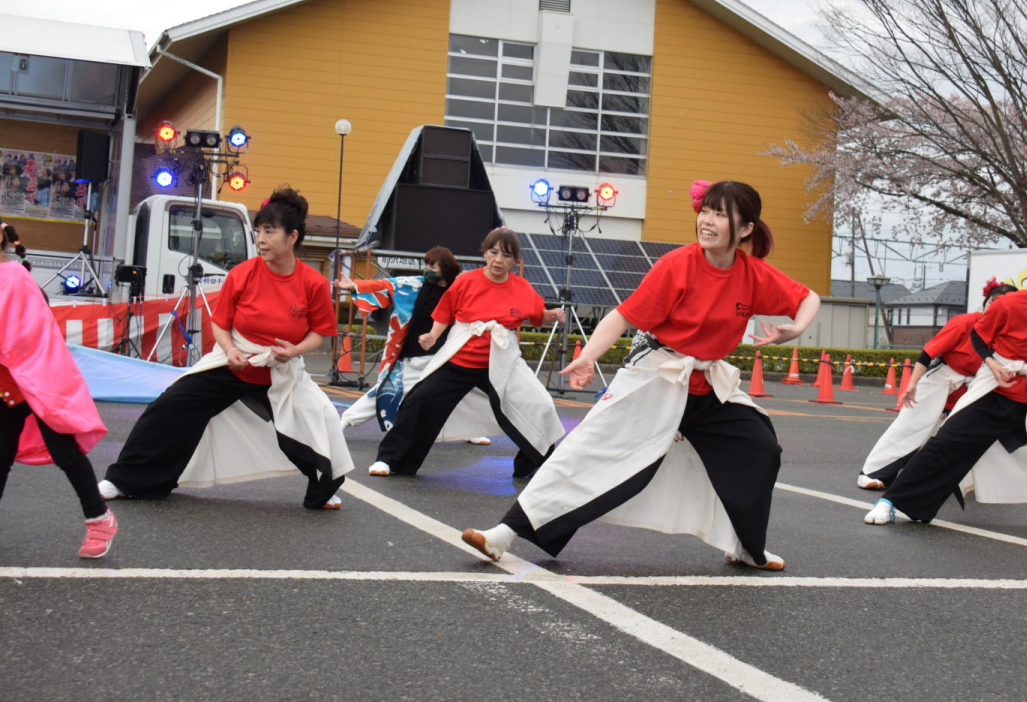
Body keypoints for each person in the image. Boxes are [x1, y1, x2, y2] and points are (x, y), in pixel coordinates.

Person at [461, 180, 821, 571]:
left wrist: (797, 327)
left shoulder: (753, 274)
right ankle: (504, 534)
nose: (707, 220)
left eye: (721, 214)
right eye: (706, 211)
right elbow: (621, 316)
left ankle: (748, 548)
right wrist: (589, 358)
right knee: (586, 449)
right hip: (657, 376)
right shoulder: (677, 265)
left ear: (746, 229)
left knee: (760, 448)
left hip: (707, 385)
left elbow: (808, 298)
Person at [99, 187, 353, 509]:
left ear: (292, 237)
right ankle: (126, 480)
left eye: (269, 232)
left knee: (320, 418)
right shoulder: (242, 273)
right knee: (170, 406)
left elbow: (321, 332)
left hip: (280, 370)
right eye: (258, 231)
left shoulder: (313, 283)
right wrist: (231, 350)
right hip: (232, 363)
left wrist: (295, 350)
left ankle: (323, 489)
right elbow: (220, 322)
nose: (260, 239)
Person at [865, 254, 1027, 529]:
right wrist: (992, 365)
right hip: (996, 389)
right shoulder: (1009, 303)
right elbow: (979, 335)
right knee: (948, 444)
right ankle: (891, 503)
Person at [370, 228, 566, 479]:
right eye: (493, 252)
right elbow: (445, 312)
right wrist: (432, 335)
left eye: (506, 256)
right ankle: (390, 460)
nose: (498, 260)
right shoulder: (465, 281)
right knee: (420, 400)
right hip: (460, 360)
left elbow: (540, 315)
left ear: (514, 261)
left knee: (540, 404)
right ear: (484, 252)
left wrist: (554, 314)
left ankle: (529, 464)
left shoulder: (522, 287)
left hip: (501, 363)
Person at [0, 204, 117, 558]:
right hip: (7, 385)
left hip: (39, 382)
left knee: (65, 453)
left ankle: (99, 518)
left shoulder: (11, 276)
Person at [335, 246, 502, 459]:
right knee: (387, 389)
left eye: (432, 265)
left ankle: (472, 431)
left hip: (446, 357)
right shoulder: (414, 285)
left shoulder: (459, 290)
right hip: (415, 356)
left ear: (446, 269)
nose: (427, 269)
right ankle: (345, 421)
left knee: (462, 392)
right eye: (426, 264)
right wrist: (355, 286)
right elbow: (385, 285)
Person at [857, 279, 1017, 490]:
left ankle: (938, 481)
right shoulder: (965, 322)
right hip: (940, 381)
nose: (996, 308)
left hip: (973, 389)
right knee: (911, 425)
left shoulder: (1007, 335)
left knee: (956, 438)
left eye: (1004, 306)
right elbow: (929, 352)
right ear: (986, 302)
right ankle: (873, 472)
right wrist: (912, 383)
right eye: (993, 302)